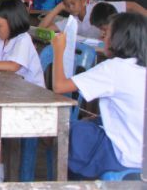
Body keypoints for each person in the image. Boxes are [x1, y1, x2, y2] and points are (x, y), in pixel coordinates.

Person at [52, 13, 147, 178]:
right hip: (141, 153)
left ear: (119, 39)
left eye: (107, 33)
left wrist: (59, 51)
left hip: (124, 156)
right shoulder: (140, 68)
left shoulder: (114, 68)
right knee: (91, 123)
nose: (102, 36)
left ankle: (72, 182)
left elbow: (59, 86)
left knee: (72, 133)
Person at [39, 0, 147, 39]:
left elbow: (132, 6)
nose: (70, 8)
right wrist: (58, 8)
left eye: (73, 3)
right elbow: (41, 30)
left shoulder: (99, 9)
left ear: (83, 1)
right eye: (67, 5)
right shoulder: (71, 21)